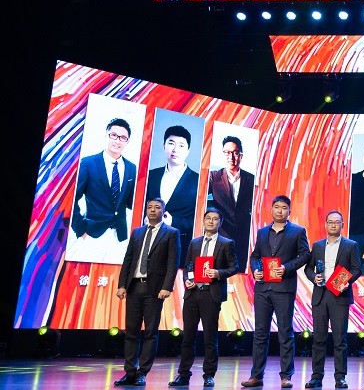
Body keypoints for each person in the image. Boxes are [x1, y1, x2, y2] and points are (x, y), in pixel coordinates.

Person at [241, 195, 310, 389]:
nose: (280, 211)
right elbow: (255, 256)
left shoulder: (298, 231)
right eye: (277, 207)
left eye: (284, 208)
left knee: (285, 332)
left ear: (289, 211)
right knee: (260, 333)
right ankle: (256, 375)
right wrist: (256, 269)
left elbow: (305, 255)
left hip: (284, 288)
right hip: (263, 288)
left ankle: (286, 375)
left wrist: (286, 268)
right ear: (271, 209)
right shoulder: (262, 232)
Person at [113, 197, 179, 386]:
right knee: (131, 332)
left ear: (163, 212)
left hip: (154, 289)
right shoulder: (137, 232)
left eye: (157, 207)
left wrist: (167, 287)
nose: (152, 210)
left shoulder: (171, 233)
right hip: (134, 287)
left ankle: (142, 372)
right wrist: (122, 284)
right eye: (150, 207)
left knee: (150, 332)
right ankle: (129, 372)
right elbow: (128, 259)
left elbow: (173, 263)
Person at [169, 208, 238, 388]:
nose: (211, 221)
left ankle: (209, 374)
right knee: (188, 336)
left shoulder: (226, 243)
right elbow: (188, 266)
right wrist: (187, 279)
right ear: (203, 220)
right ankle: (183, 374)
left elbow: (234, 267)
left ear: (220, 223)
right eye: (208, 218)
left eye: (215, 219)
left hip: (211, 294)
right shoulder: (195, 243)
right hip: (193, 294)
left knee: (210, 336)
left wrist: (218, 273)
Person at [304, 210, 363, 389]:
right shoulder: (317, 245)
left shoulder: (351, 245)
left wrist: (346, 282)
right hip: (320, 296)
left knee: (340, 339)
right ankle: (316, 376)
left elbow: (357, 269)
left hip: (340, 296)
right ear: (325, 225)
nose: (333, 225)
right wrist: (314, 277)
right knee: (318, 338)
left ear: (342, 225)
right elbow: (308, 268)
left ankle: (340, 377)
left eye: (337, 222)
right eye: (330, 222)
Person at [69, 117, 137, 263]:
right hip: (92, 234)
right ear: (106, 136)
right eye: (114, 135)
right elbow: (72, 199)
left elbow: (131, 201)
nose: (118, 141)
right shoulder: (88, 163)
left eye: (123, 138)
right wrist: (80, 229)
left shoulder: (131, 168)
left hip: (120, 236)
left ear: (127, 141)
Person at [146, 124, 200, 263]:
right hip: (148, 246)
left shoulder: (199, 181)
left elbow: (200, 221)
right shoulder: (150, 176)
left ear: (188, 151)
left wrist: (173, 222)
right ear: (164, 146)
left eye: (181, 145)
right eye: (171, 143)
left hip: (180, 251)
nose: (175, 149)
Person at [207, 135, 256, 273]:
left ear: (241, 155)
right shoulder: (213, 177)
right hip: (221, 235)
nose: (231, 157)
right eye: (227, 153)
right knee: (218, 272)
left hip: (244, 238)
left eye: (235, 152)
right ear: (223, 154)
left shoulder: (251, 179)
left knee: (240, 274)